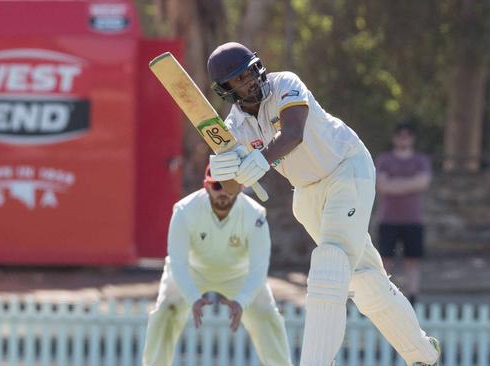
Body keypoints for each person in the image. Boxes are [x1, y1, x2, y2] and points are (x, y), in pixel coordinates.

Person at [207, 42, 440, 366]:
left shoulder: (285, 83)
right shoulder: (234, 128)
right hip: (306, 194)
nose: (250, 80)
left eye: (250, 70)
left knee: (330, 264)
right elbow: (231, 187)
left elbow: (293, 134)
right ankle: (425, 356)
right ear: (227, 90)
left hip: (346, 169)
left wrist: (258, 161)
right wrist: (224, 171)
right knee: (363, 279)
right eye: (239, 78)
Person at [142, 165, 292, 366]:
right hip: (192, 272)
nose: (222, 193)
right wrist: (192, 297)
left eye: (229, 186)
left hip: (239, 274)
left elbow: (258, 268)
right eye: (216, 186)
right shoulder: (185, 210)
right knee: (165, 312)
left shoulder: (255, 214)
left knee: (265, 315)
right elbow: (177, 262)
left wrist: (242, 300)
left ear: (239, 187)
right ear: (206, 186)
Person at [375, 121, 433, 305]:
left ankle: (413, 297)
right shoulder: (384, 160)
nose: (403, 138)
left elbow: (423, 183)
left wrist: (395, 184)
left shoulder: (421, 160)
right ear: (394, 138)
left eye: (407, 135)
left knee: (412, 261)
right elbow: (382, 185)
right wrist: (410, 184)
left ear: (412, 138)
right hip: (388, 219)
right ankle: (382, 295)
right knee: (384, 260)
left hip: (413, 220)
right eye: (400, 135)